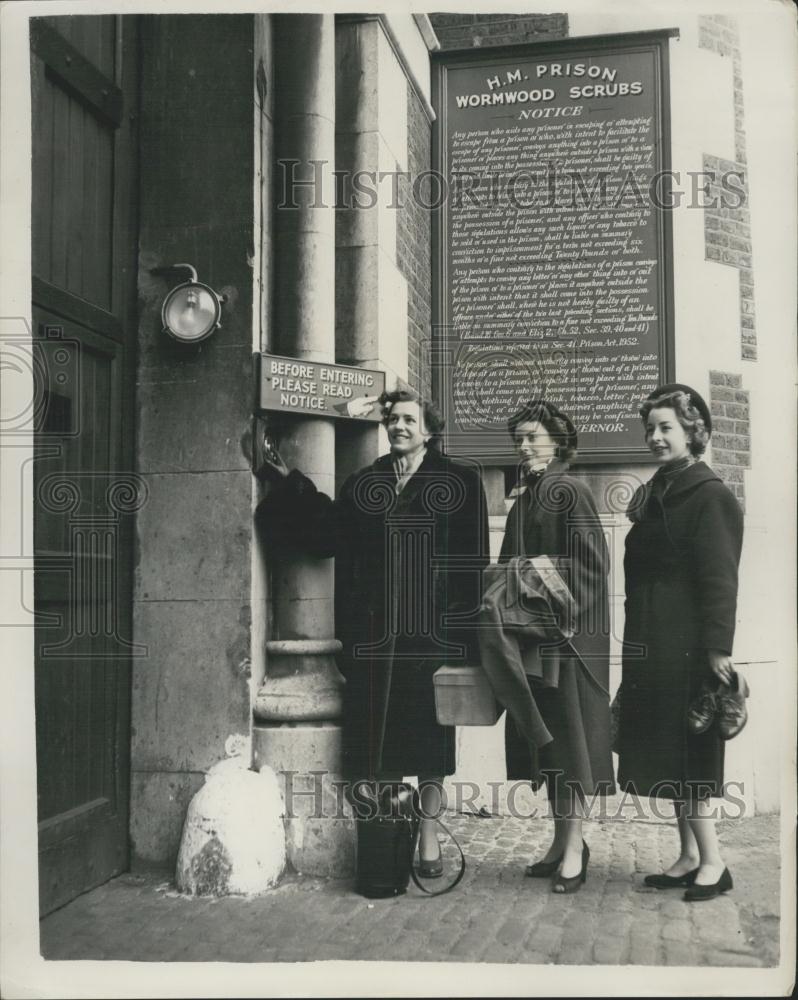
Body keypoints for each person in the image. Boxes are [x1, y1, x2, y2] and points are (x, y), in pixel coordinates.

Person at [255, 388, 489, 877]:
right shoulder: (367, 482)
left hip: (431, 639)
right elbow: (327, 533)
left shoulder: (461, 482)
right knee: (381, 751)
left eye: (409, 419)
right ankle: (386, 843)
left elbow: (473, 566)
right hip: (376, 640)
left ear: (429, 428)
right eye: (392, 420)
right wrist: (285, 480)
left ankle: (427, 840)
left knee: (429, 748)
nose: (398, 426)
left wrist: (465, 644)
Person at [617, 383, 744, 901]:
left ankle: (714, 861)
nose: (655, 436)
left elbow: (720, 579)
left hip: (688, 644)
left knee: (691, 751)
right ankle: (689, 855)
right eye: (650, 428)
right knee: (668, 751)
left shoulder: (709, 495)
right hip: (652, 638)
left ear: (694, 433)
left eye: (666, 427)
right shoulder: (661, 488)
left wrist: (718, 649)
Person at [488, 399, 614, 894]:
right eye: (518, 439)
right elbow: (505, 569)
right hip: (531, 638)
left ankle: (576, 846)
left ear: (557, 441)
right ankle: (561, 842)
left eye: (533, 437)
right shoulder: (525, 499)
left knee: (569, 743)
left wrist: (541, 596)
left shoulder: (570, 490)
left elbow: (592, 568)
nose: (524, 446)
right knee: (547, 746)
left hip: (567, 639)